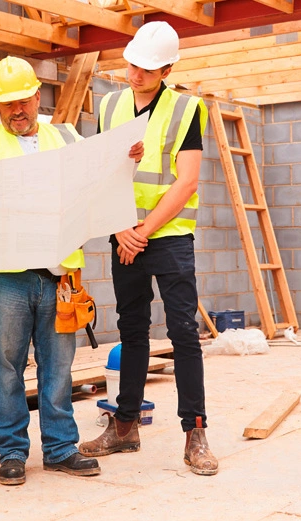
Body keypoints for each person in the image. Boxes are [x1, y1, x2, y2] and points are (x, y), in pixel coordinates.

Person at [0, 56, 142, 486]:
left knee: (58, 368)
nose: (17, 110)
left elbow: (100, 182)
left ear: (37, 96)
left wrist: (129, 161)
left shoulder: (67, 136)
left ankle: (60, 448)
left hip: (60, 275)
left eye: (24, 101)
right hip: (7, 277)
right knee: (7, 367)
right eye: (8, 103)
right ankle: (12, 452)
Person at [78, 21, 218, 476]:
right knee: (132, 330)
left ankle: (194, 432)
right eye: (133, 64)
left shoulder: (187, 109)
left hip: (169, 235)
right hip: (126, 236)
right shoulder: (110, 104)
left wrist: (143, 229)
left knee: (181, 333)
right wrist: (122, 230)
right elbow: (102, 173)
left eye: (148, 69)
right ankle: (125, 426)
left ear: (168, 69)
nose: (136, 74)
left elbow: (188, 179)